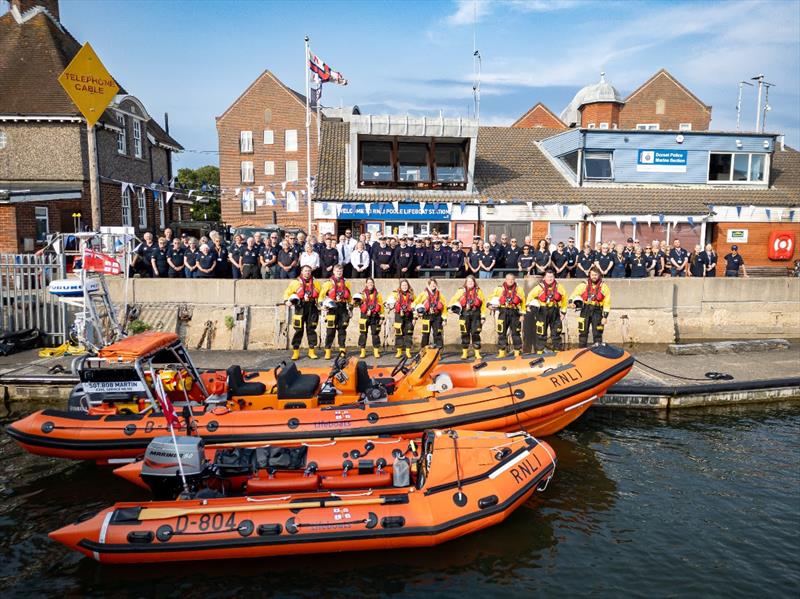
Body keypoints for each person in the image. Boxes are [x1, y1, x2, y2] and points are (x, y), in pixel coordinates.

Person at [284, 265, 321, 360]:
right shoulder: (295, 282)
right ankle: (296, 352)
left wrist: (323, 304)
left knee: (311, 329)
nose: (307, 272)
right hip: (300, 307)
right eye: (305, 271)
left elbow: (321, 294)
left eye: (309, 271)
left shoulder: (316, 282)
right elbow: (287, 293)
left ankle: (311, 351)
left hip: (312, 307)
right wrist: (286, 301)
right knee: (298, 330)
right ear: (302, 271)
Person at [526, 267, 567, 353]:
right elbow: (530, 296)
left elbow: (564, 299)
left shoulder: (559, 287)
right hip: (542, 311)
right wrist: (528, 306)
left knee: (556, 332)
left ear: (554, 277)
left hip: (555, 311)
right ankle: (540, 352)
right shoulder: (539, 287)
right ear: (544, 277)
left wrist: (563, 312)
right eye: (548, 277)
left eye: (551, 277)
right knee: (541, 333)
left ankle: (557, 351)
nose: (550, 279)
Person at [570, 267, 611, 347]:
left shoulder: (604, 287)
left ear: (599, 275)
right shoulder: (583, 285)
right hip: (585, 309)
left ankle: (598, 351)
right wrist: (571, 302)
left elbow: (607, 303)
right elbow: (574, 294)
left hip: (597, 311)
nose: (594, 276)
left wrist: (605, 317)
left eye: (596, 275)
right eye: (592, 275)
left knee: (597, 333)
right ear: (589, 275)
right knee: (583, 332)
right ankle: (581, 350)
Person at [449, 274, 487, 360]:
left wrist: (483, 317)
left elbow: (483, 304)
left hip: (476, 314)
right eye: (468, 281)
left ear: (474, 282)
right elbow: (453, 300)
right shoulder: (461, 291)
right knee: (465, 334)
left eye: (472, 281)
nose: (470, 283)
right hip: (464, 314)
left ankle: (477, 353)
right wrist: (451, 308)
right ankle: (464, 353)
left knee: (475, 334)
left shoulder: (479, 291)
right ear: (466, 283)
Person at [319, 264, 352, 359]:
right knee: (330, 331)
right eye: (337, 271)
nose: (339, 273)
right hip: (332, 308)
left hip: (343, 308)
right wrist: (322, 306)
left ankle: (342, 351)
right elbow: (321, 296)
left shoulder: (346, 283)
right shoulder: (328, 283)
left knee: (342, 330)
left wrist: (350, 309)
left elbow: (349, 297)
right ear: (333, 272)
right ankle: (328, 351)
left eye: (340, 271)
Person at [489, 272, 526, 357]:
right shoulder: (499, 289)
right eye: (509, 279)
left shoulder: (519, 289)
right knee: (501, 332)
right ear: (505, 280)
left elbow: (523, 302)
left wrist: (522, 315)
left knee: (516, 333)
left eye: (512, 279)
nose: (510, 281)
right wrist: (489, 305)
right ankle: (502, 352)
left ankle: (517, 352)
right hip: (503, 312)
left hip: (515, 312)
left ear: (514, 280)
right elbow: (490, 298)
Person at [413, 278, 445, 348]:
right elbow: (415, 303)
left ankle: (438, 351)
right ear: (428, 285)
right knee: (425, 334)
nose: (433, 285)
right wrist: (416, 314)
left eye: (434, 284)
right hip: (426, 316)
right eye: (431, 284)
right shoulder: (423, 294)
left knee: (438, 333)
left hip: (437, 316)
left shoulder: (439, 294)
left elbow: (444, 306)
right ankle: (424, 350)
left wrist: (444, 318)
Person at [355, 277, 384, 358]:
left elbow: (381, 306)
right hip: (364, 316)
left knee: (375, 334)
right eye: (368, 283)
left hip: (375, 316)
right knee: (363, 334)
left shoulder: (378, 294)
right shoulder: (362, 294)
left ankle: (376, 351)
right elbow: (355, 304)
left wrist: (382, 317)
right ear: (366, 284)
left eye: (371, 283)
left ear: (373, 284)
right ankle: (362, 351)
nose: (370, 284)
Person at [387, 279, 415, 358]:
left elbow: (415, 305)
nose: (404, 287)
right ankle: (399, 351)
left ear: (408, 286)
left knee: (408, 333)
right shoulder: (395, 294)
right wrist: (388, 304)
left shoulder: (412, 295)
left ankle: (408, 351)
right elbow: (388, 300)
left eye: (406, 285)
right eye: (403, 285)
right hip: (399, 315)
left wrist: (415, 318)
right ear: (400, 286)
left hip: (409, 315)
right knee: (399, 333)